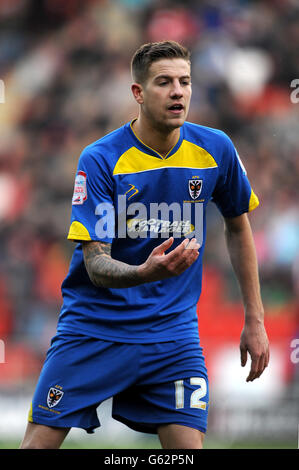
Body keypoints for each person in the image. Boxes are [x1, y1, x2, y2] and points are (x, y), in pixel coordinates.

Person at [20, 40, 269, 450]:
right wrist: (144, 272)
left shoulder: (216, 149)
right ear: (138, 93)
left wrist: (255, 320)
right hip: (95, 329)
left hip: (173, 334)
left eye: (185, 82)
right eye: (164, 82)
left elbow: (238, 227)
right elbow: (96, 263)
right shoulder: (101, 159)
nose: (178, 91)